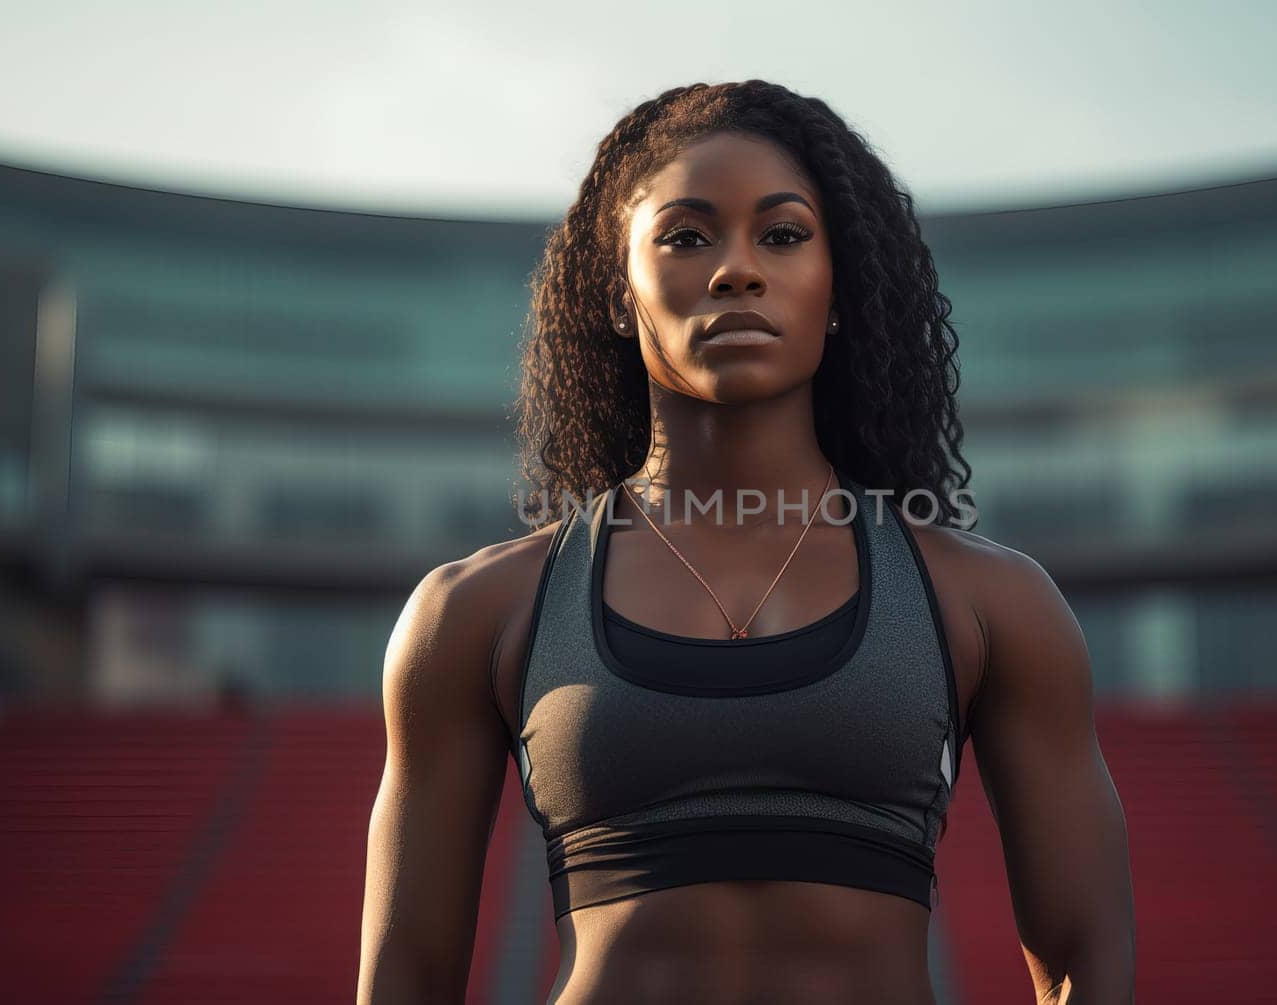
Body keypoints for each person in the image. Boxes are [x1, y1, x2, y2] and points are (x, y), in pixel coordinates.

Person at [358, 80, 1134, 1005]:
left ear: (839, 290)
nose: (736, 270)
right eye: (686, 236)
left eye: (783, 234)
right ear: (617, 292)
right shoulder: (475, 611)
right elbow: (405, 978)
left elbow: (1085, 953)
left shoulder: (991, 603)